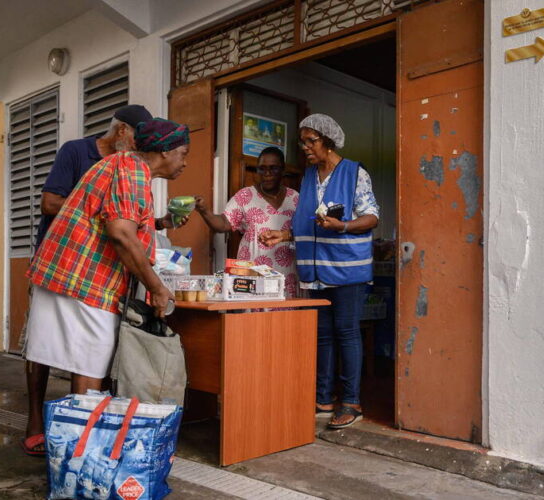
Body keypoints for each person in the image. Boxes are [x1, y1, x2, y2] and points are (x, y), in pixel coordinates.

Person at [20, 118, 190, 456]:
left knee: (83, 364)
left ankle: (73, 447)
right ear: (165, 151)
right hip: (85, 279)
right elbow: (121, 233)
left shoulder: (122, 165)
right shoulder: (131, 171)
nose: (184, 162)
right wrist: (156, 286)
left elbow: (122, 223)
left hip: (67, 273)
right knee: (89, 367)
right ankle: (81, 457)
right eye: (183, 154)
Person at [261, 114, 379, 429]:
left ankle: (351, 402)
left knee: (346, 332)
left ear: (327, 140)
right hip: (314, 269)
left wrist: (342, 225)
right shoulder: (309, 176)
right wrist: (282, 235)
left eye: (311, 141)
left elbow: (371, 217)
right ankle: (323, 398)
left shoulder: (355, 173)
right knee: (323, 335)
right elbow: (306, 222)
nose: (306, 148)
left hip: (346, 269)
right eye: (303, 142)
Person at [194, 147, 300, 297]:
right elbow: (223, 224)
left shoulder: (295, 198)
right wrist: (205, 210)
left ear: (283, 170)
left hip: (286, 276)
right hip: (252, 275)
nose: (267, 174)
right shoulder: (245, 196)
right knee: (252, 319)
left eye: (273, 168)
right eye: (262, 169)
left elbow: (304, 232)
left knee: (283, 318)